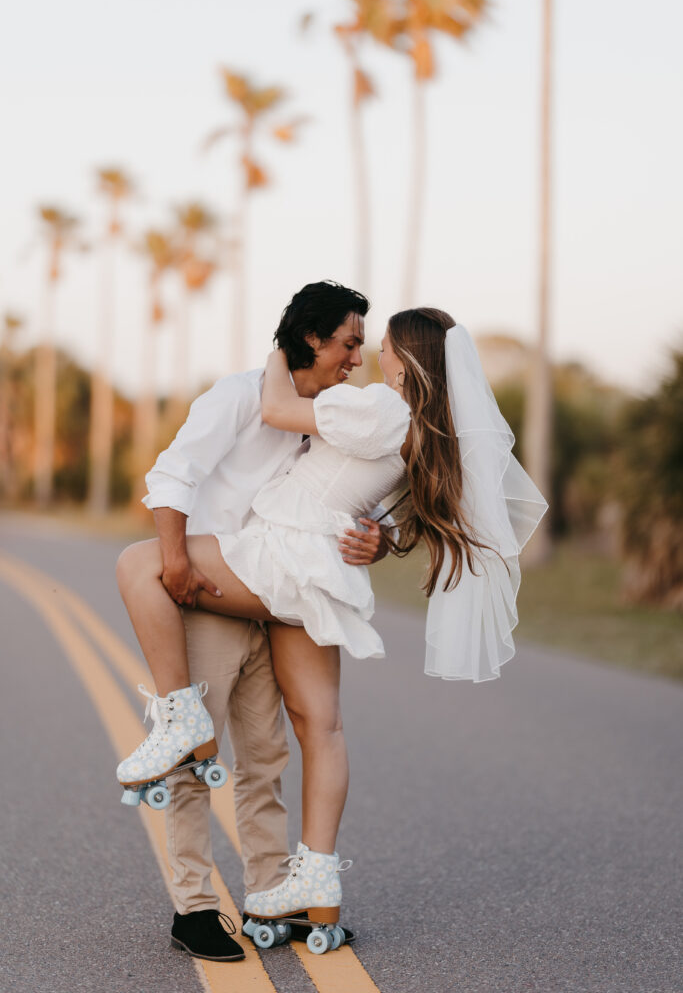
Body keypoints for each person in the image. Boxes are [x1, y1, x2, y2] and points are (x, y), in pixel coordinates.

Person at [116, 307, 547, 956]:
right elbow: (400, 505)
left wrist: (278, 351)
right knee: (320, 726)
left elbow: (277, 408)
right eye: (351, 343)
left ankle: (176, 718)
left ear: (408, 355)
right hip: (310, 575)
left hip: (276, 559)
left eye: (377, 344)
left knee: (134, 562)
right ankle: (302, 883)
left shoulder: (374, 406)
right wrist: (386, 537)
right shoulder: (425, 426)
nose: (366, 354)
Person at [126, 280, 391, 962]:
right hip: (211, 588)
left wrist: (378, 541)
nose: (355, 360)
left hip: (276, 601)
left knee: (265, 756)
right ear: (312, 337)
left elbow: (359, 509)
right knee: (194, 752)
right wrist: (176, 563)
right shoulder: (242, 396)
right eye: (349, 343)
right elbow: (172, 474)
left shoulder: (332, 417)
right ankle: (194, 906)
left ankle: (270, 893)